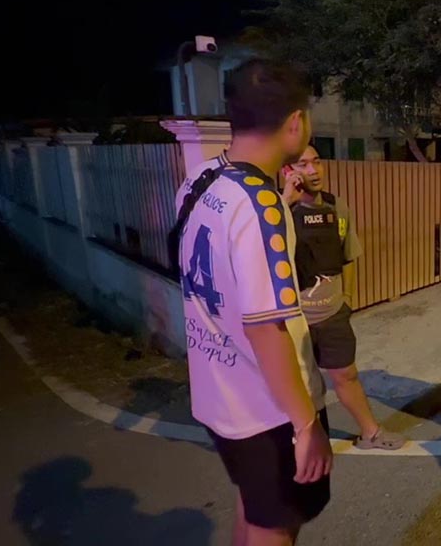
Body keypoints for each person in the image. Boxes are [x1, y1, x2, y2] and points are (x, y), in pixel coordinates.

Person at [173, 59, 331, 545]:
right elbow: (266, 327)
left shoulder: (200, 180)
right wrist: (306, 425)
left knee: (253, 509)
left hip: (219, 396)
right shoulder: (261, 205)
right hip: (267, 410)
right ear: (296, 122)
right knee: (275, 527)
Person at [281, 144, 406, 450]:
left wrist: (346, 298)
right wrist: (285, 202)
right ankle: (302, 443)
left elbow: (348, 256)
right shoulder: (277, 210)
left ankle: (371, 433)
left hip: (333, 313)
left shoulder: (337, 206)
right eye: (303, 164)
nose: (313, 170)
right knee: (300, 385)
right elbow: (263, 254)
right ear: (287, 171)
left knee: (346, 374)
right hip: (294, 320)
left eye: (317, 162)